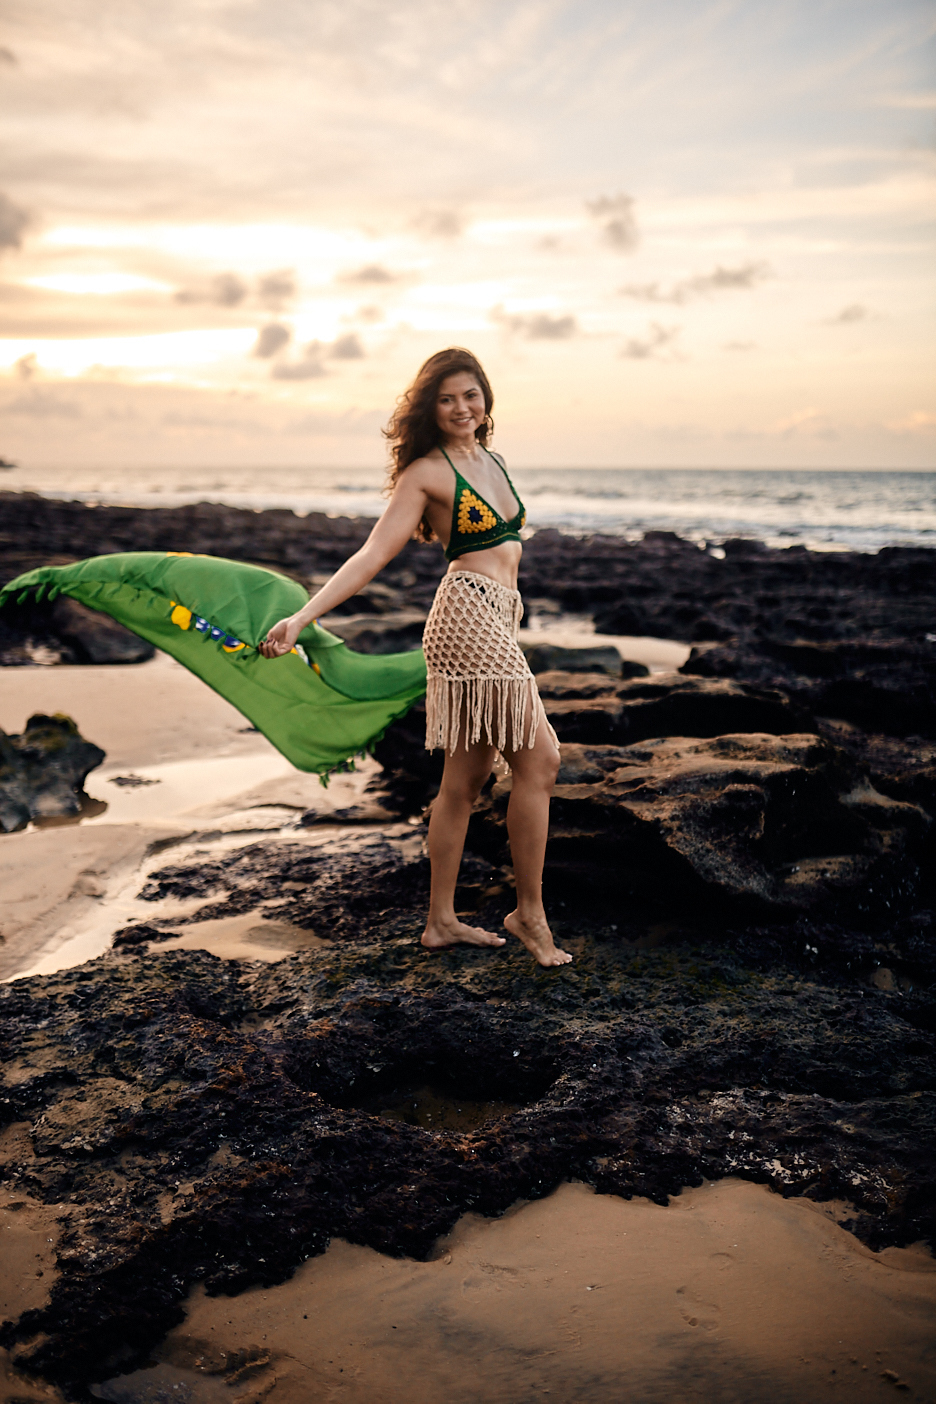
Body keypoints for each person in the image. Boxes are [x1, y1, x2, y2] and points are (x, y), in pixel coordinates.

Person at [260, 348, 572, 968]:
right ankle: (529, 915)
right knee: (541, 760)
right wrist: (301, 618)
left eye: (472, 395)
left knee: (464, 782)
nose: (462, 407)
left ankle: (440, 921)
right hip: (465, 617)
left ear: (486, 401)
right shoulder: (424, 475)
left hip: (500, 621)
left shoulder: (495, 461)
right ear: (431, 408)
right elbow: (373, 555)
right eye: (448, 398)